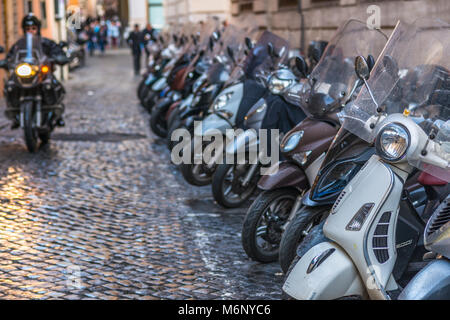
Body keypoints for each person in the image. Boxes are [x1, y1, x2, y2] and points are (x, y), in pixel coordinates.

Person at [6, 13, 68, 127]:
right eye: (28, 29)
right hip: (25, 74)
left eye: (33, 28)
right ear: (24, 30)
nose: (31, 31)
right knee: (10, 85)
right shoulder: (18, 45)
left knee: (52, 84)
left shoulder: (46, 42)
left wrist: (59, 57)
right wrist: (6, 61)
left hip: (41, 74)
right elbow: (10, 56)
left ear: (38, 29)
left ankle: (57, 113)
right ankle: (15, 114)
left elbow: (57, 51)